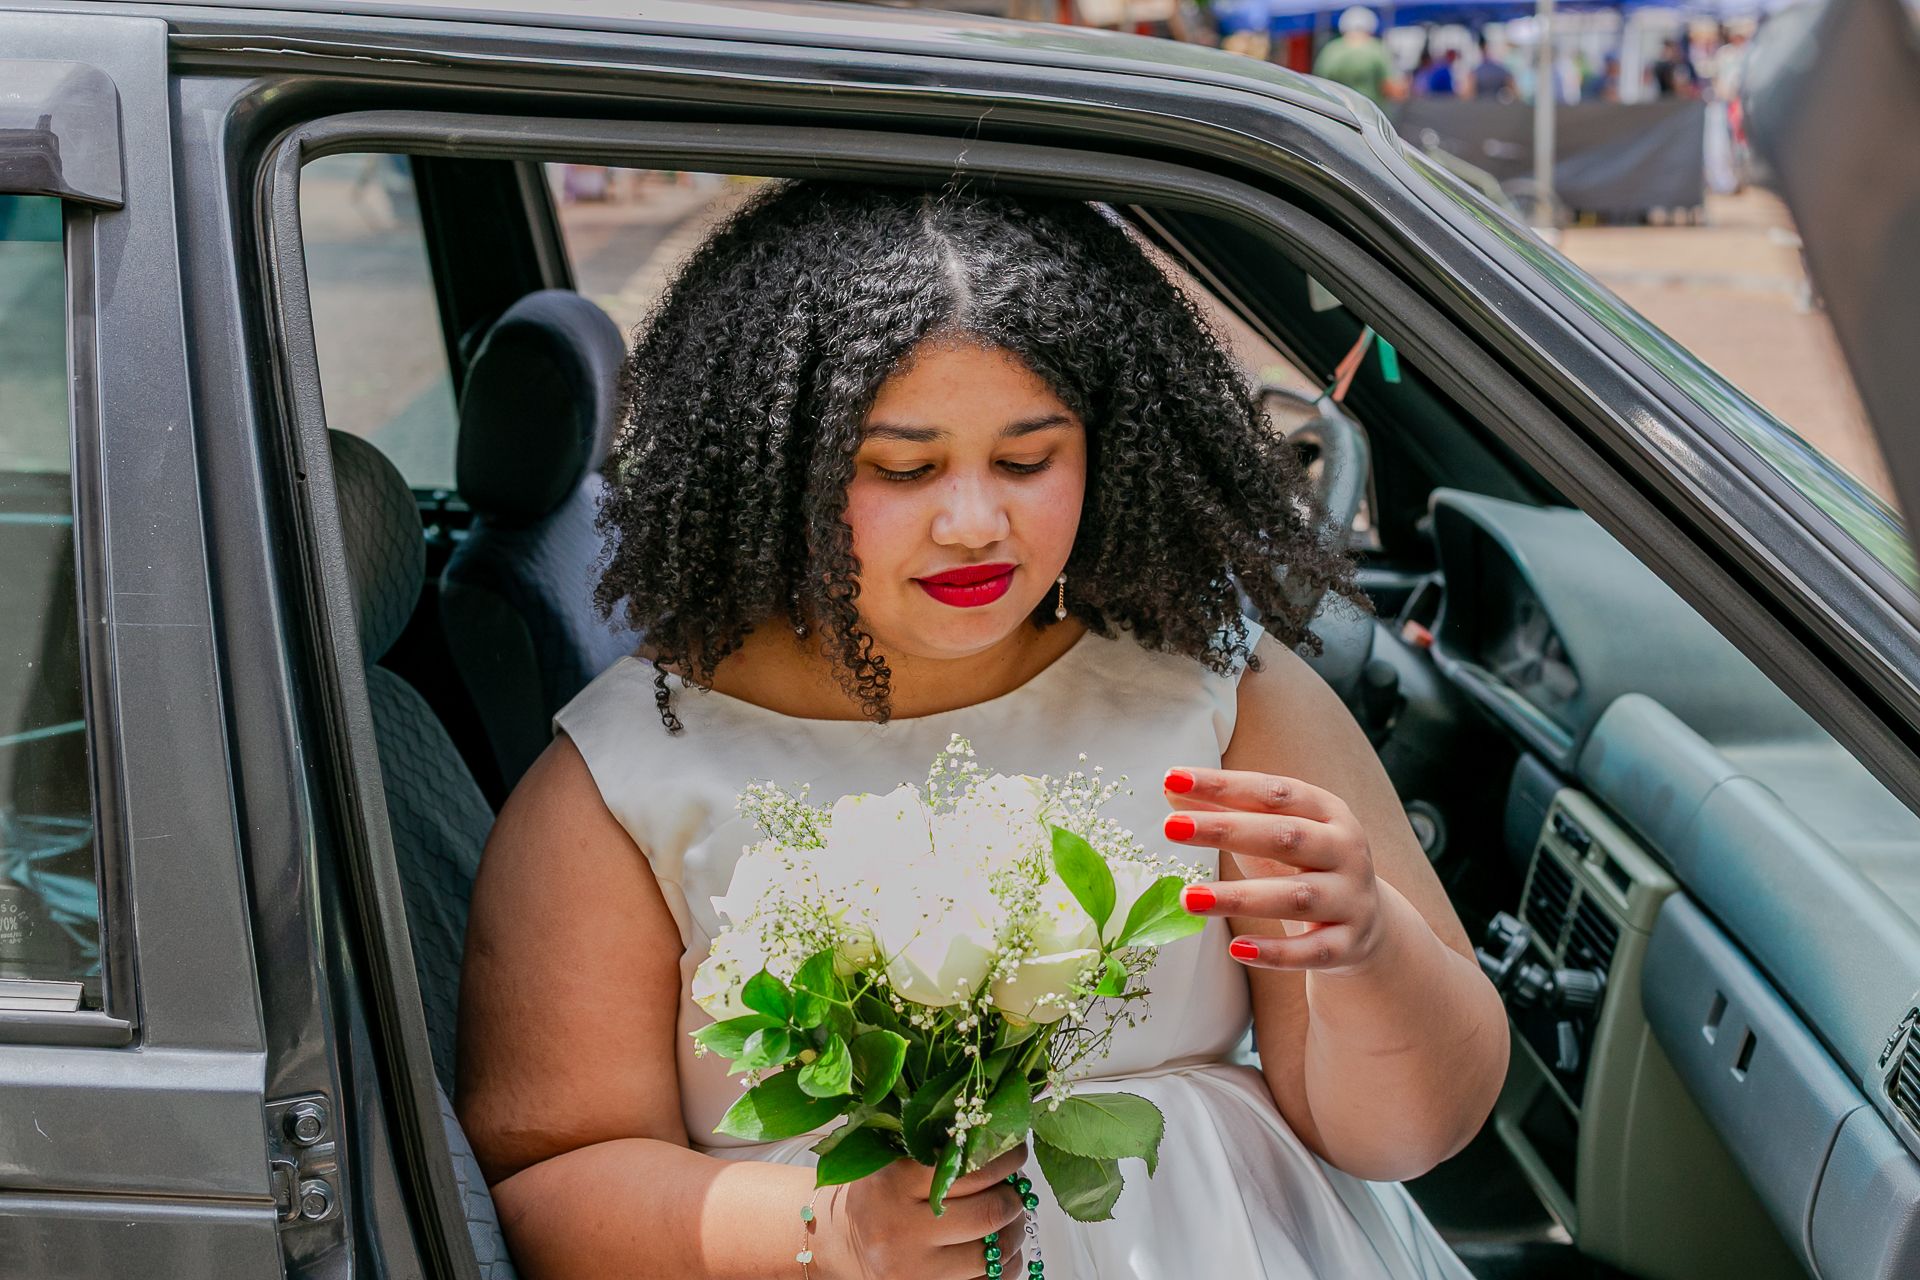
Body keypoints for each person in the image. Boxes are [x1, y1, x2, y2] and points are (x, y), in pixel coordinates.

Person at [456, 181, 1507, 1279]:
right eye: (903, 467)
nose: (974, 523)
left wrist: (1372, 953)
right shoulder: (619, 780)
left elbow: (1406, 1135)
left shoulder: (1226, 693)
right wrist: (832, 1231)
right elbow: (547, 1186)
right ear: (770, 471)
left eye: (1027, 459)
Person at [1312, 7, 1407, 108]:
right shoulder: (1376, 50)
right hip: (1368, 117)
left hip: (1337, 115)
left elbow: (1318, 85)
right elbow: (1393, 90)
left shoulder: (1331, 49)